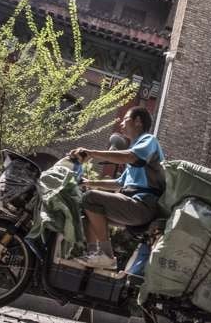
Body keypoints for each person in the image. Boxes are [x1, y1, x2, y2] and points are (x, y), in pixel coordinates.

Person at [69, 106, 165, 269]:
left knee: (90, 198)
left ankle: (107, 256)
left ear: (138, 122)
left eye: (125, 118)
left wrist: (91, 153)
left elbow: (129, 156)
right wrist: (87, 183)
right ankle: (94, 255)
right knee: (86, 208)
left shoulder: (149, 141)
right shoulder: (135, 150)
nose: (121, 123)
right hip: (132, 203)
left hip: (142, 206)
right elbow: (119, 183)